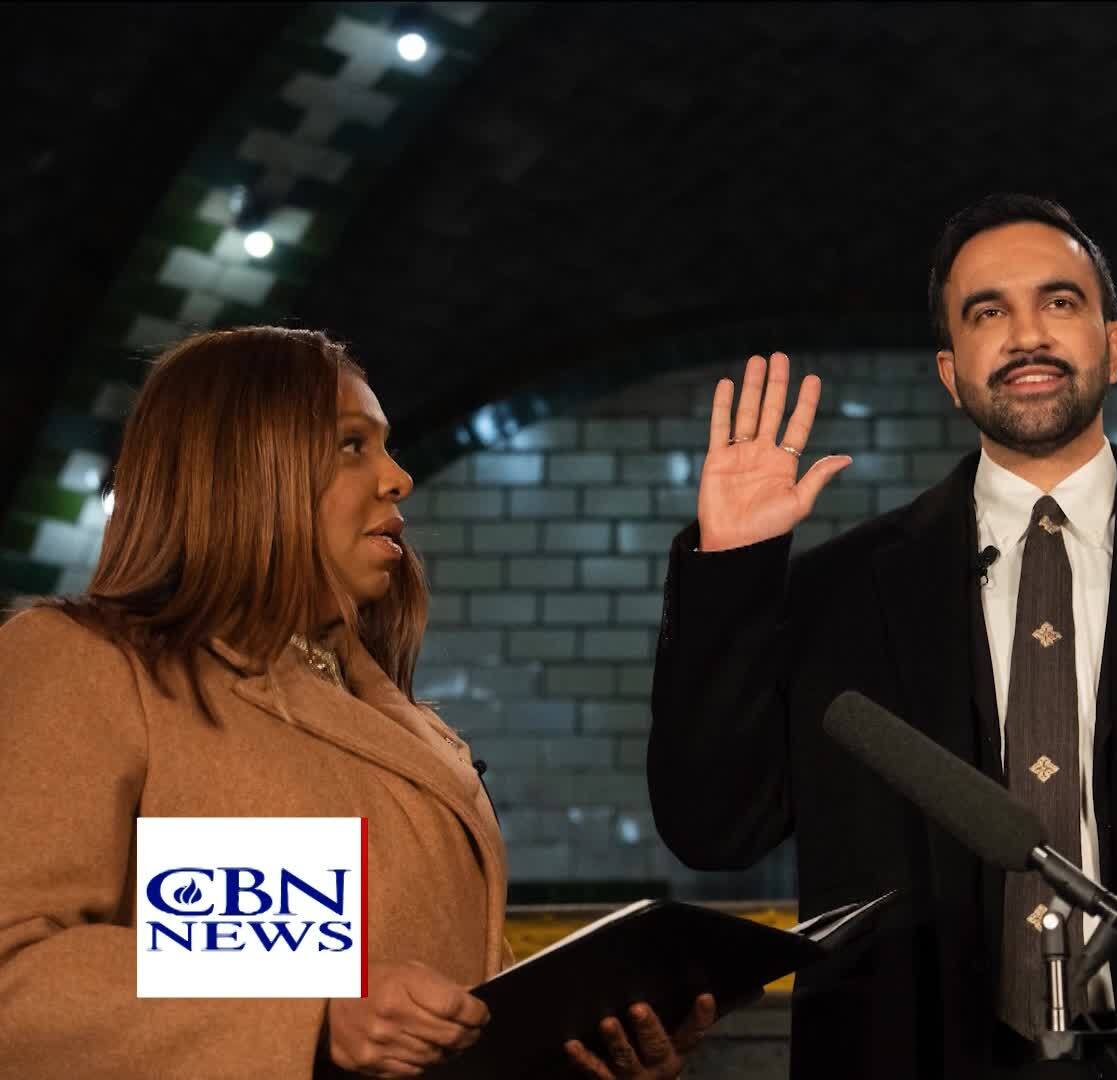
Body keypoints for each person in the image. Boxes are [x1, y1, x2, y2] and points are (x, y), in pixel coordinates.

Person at [648, 193, 1117, 1078]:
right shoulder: (839, 588)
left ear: (1114, 346)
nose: (1026, 335)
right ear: (950, 373)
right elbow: (713, 828)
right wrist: (733, 568)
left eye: (1059, 301)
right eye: (988, 312)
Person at [0, 327, 713, 1080]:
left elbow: (433, 997)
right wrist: (314, 1019)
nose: (398, 478)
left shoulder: (403, 724)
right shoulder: (81, 663)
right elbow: (15, 968)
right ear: (246, 467)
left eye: (386, 447)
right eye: (352, 445)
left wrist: (578, 1052)